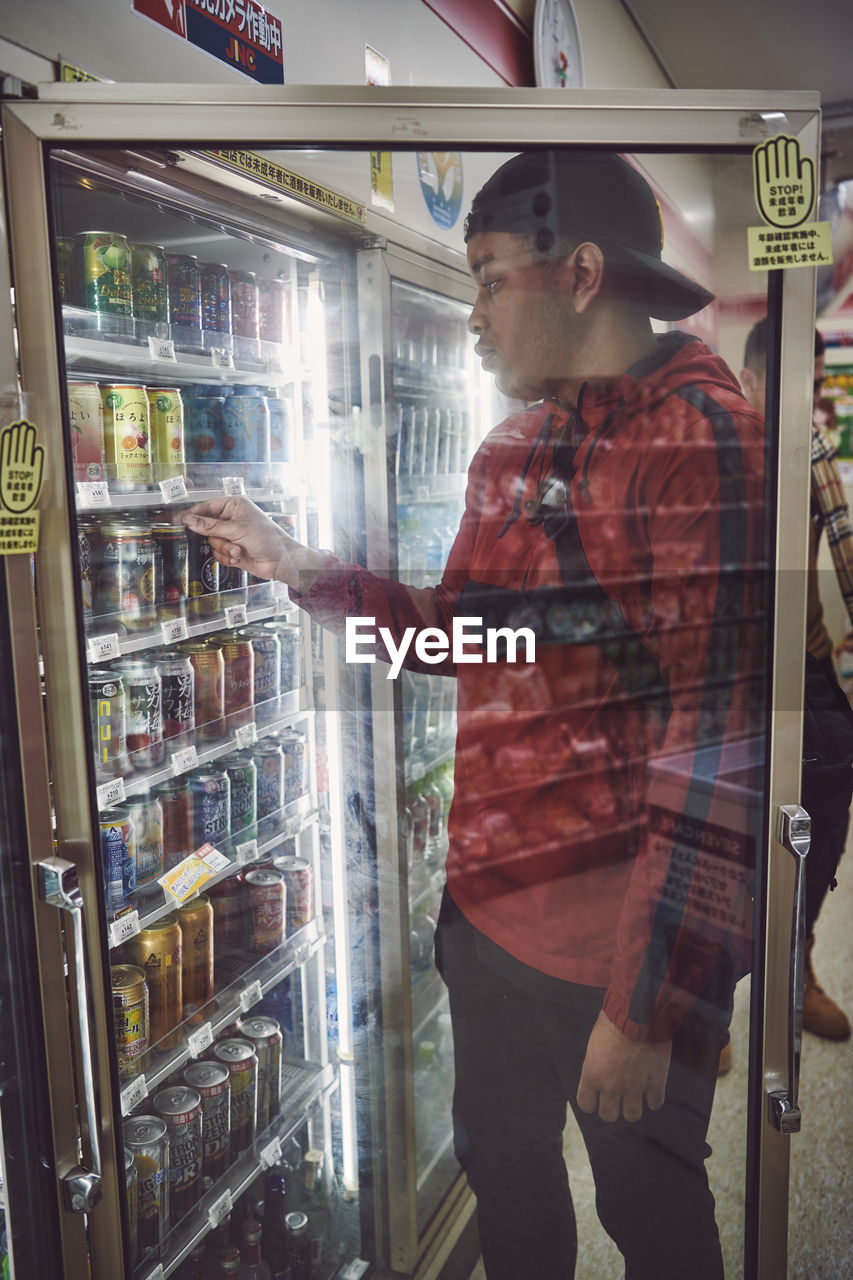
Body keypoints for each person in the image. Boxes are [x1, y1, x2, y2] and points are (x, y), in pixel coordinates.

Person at [184, 150, 769, 1279]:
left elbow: (721, 751)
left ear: (583, 274)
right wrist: (303, 565)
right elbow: (464, 637)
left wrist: (647, 1004)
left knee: (649, 1214)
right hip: (487, 922)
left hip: (613, 956)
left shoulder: (703, 445)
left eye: (492, 276)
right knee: (505, 1179)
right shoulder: (512, 448)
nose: (472, 313)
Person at [740, 318, 852, 1042]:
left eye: (811, 383)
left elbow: (845, 540)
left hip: (802, 661)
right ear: (748, 379)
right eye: (789, 383)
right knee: (716, 828)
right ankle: (706, 999)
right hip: (722, 673)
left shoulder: (810, 444)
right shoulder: (705, 449)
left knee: (830, 790)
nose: (803, 400)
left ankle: (799, 957)